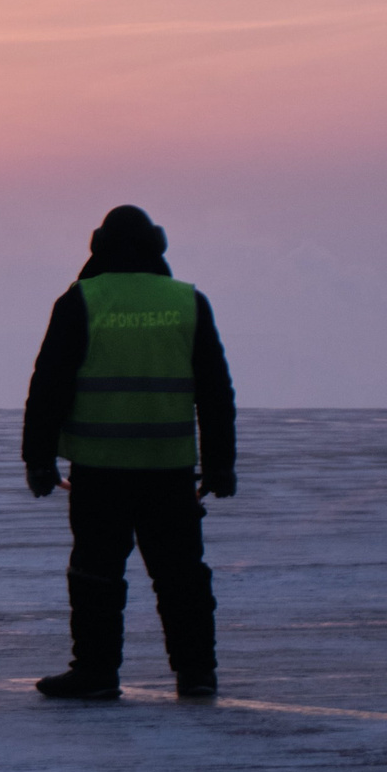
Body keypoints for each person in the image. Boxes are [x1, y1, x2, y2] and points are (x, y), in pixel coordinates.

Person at [21, 205, 235, 701]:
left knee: (95, 576)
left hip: (99, 472)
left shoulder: (81, 301)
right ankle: (197, 674)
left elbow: (48, 385)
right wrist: (221, 463)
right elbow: (215, 390)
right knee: (182, 578)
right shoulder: (188, 302)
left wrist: (38, 459)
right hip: (169, 470)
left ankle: (95, 672)